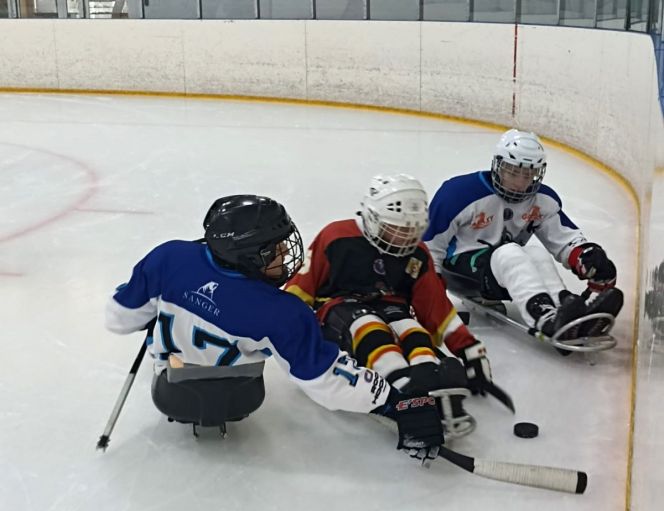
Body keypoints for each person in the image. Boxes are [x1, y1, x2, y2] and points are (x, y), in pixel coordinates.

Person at [105, 194, 444, 460]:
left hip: (170, 392)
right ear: (247, 255)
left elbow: (118, 319)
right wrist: (392, 401)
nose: (285, 254)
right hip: (242, 399)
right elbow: (328, 381)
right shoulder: (285, 312)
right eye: (275, 249)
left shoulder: (167, 258)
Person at [285, 174, 493, 438]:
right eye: (398, 228)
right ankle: (402, 387)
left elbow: (435, 307)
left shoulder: (417, 253)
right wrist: (294, 339)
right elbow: (299, 289)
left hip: (391, 308)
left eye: (413, 230)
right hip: (338, 310)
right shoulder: (336, 236)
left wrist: (469, 348)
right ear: (373, 218)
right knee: (369, 326)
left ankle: (428, 374)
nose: (406, 237)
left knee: (411, 329)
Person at [423, 129, 623, 345]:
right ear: (498, 166)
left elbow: (564, 239)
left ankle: (566, 311)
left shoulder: (543, 200)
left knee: (536, 254)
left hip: (505, 270)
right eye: (513, 172)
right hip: (460, 273)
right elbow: (429, 246)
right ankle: (545, 319)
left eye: (528, 175)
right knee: (510, 253)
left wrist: (585, 255)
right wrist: (429, 295)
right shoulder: (458, 193)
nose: (520, 183)